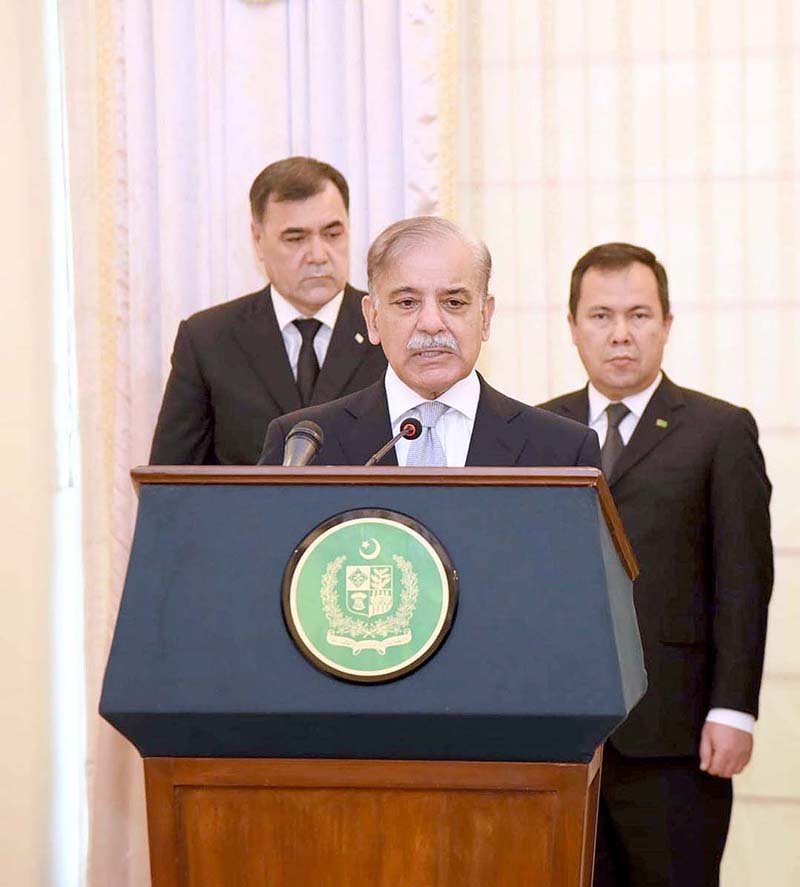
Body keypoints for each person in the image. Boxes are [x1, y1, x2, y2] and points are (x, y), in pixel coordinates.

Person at [541, 242, 773, 887]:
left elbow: (744, 580)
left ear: (667, 325)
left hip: (676, 732)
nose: (621, 335)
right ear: (573, 327)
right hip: (564, 732)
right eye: (602, 316)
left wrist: (734, 709)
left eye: (640, 315)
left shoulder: (719, 430)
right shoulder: (542, 431)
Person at [260, 216, 600, 469]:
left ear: (485, 316)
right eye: (407, 303)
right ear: (372, 319)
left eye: (454, 302)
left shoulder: (563, 450)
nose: (432, 324)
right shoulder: (303, 447)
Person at [149, 156, 386, 465]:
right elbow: (170, 483)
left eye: (332, 234)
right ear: (258, 240)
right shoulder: (208, 339)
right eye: (295, 238)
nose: (318, 255)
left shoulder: (390, 326)